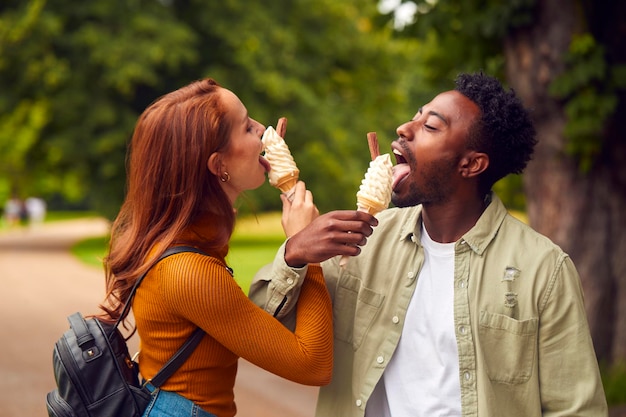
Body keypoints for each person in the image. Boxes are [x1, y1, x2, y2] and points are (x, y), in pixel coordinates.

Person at [250, 72, 608, 416]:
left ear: (471, 164)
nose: (404, 129)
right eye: (415, 117)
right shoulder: (365, 241)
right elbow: (262, 330)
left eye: (430, 127)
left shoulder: (543, 270)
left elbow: (575, 408)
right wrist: (295, 254)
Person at [99, 78, 376, 417]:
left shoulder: (188, 241)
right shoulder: (187, 270)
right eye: (247, 127)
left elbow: (246, 324)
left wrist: (294, 253)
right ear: (218, 166)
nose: (264, 128)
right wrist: (307, 253)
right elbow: (313, 364)